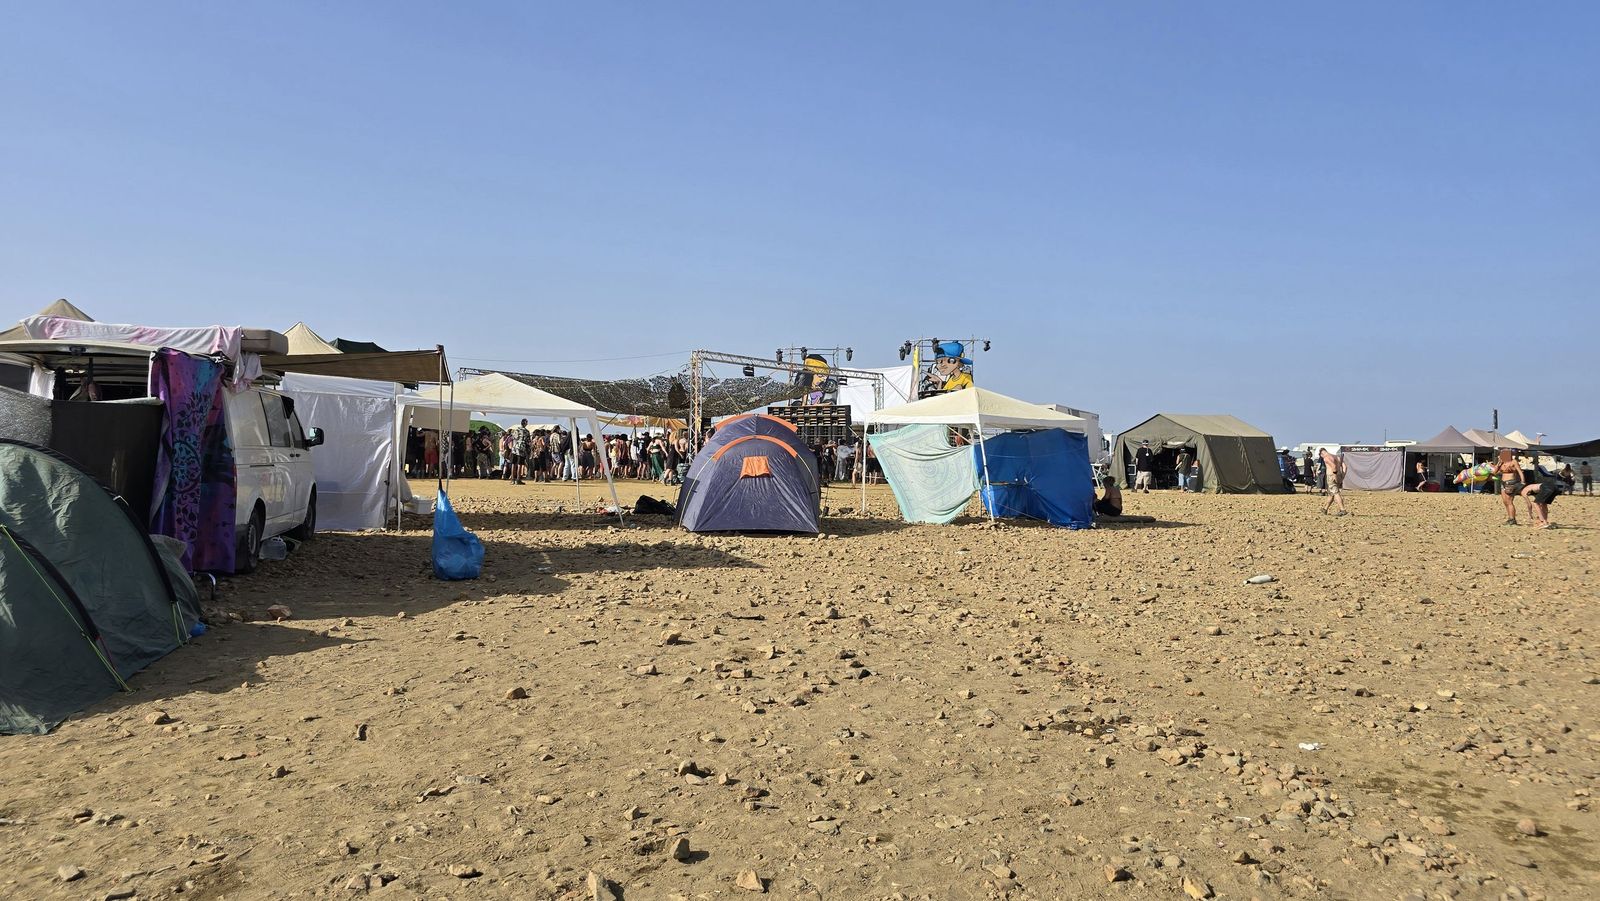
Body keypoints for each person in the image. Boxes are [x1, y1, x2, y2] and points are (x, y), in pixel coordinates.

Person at [1494, 449, 1523, 525]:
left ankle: (1512, 519)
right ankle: (1509, 518)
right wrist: (1498, 464)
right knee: (1505, 502)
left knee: (1509, 501)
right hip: (1503, 483)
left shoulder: (1514, 462)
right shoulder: (1502, 462)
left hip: (1511, 482)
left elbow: (1520, 471)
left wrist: (1523, 482)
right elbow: (1494, 472)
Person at [1320, 447, 1348, 515]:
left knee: (1335, 493)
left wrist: (1334, 475)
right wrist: (1342, 476)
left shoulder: (1326, 457)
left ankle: (1343, 509)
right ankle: (1325, 509)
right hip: (1339, 475)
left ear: (1321, 454)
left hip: (1332, 476)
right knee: (1331, 493)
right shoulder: (1337, 457)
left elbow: (1333, 466)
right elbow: (1345, 467)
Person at [508, 419, 531, 485]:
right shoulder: (526, 432)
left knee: (513, 464)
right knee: (520, 464)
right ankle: (518, 479)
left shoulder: (516, 430)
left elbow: (512, 439)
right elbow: (528, 441)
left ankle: (512, 479)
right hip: (521, 449)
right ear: (525, 423)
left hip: (514, 448)